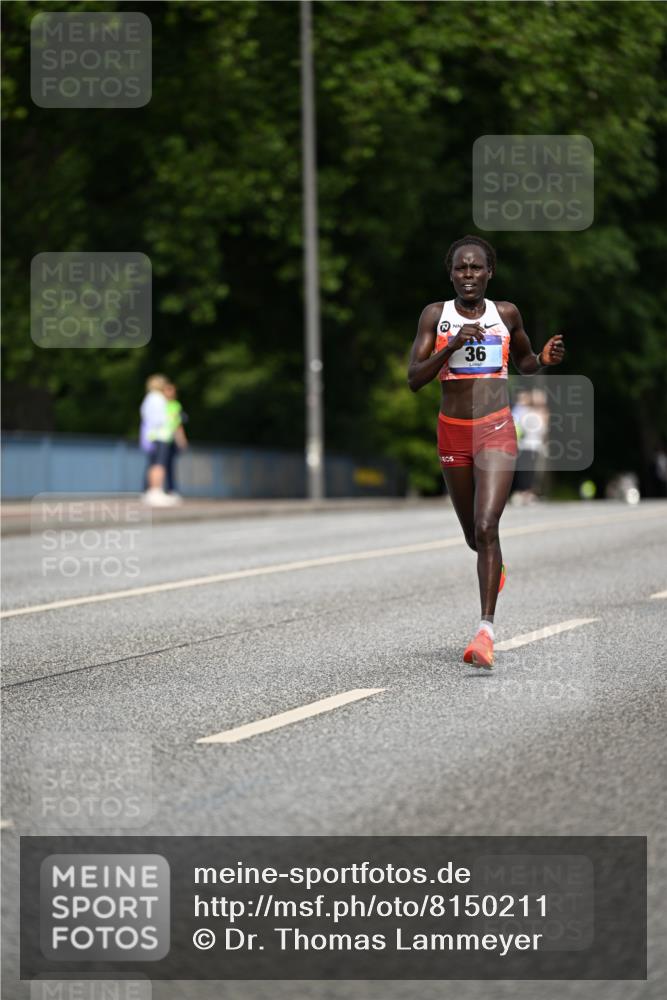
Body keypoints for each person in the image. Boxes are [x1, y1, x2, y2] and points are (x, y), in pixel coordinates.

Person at [407, 236, 564, 668]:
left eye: (477, 268)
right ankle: (495, 567)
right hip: (452, 433)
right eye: (461, 268)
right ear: (451, 273)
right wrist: (452, 345)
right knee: (473, 537)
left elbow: (525, 361)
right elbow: (414, 378)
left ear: (489, 272)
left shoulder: (506, 313)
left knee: (486, 524)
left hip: (495, 428)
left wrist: (544, 359)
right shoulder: (435, 316)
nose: (469, 275)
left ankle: (485, 632)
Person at [139, 374, 180, 507]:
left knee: (153, 464)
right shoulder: (158, 398)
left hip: (152, 435)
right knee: (159, 465)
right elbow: (159, 419)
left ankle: (152, 491)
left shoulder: (149, 398)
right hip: (160, 435)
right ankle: (156, 491)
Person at [163, 381, 188, 496]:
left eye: (173, 390)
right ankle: (155, 490)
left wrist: (182, 439)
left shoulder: (176, 405)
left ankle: (171, 490)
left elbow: (178, 424)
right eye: (169, 390)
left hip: (172, 438)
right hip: (162, 437)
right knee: (159, 464)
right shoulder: (160, 404)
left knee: (170, 465)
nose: (171, 393)